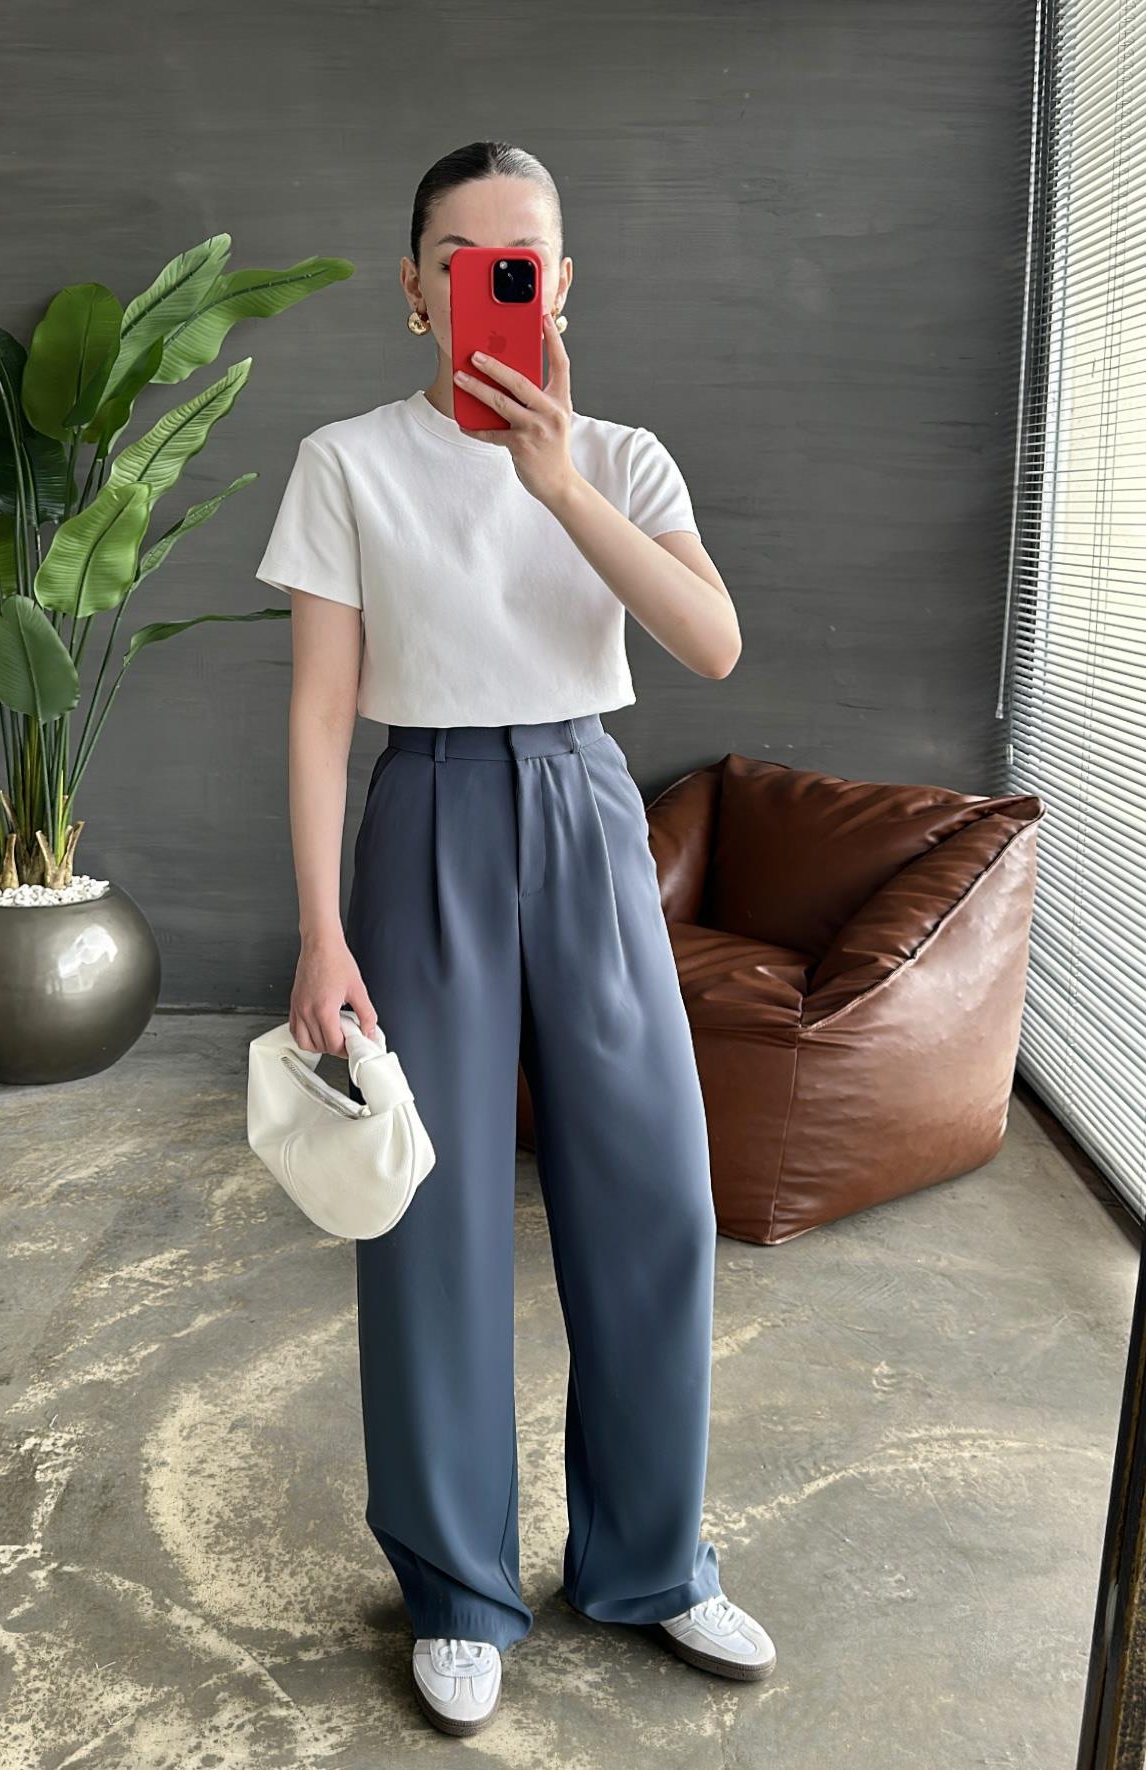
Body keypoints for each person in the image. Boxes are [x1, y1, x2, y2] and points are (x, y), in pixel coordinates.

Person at [256, 139, 775, 1738]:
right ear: (418, 292)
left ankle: (649, 1559)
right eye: (465, 260)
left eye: (525, 262)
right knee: (432, 1211)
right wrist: (321, 930)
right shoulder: (347, 462)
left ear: (559, 287)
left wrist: (557, 486)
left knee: (655, 1190)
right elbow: (322, 712)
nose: (498, 284)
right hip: (424, 815)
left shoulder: (622, 459)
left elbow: (711, 639)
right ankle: (457, 1589)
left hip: (585, 808)